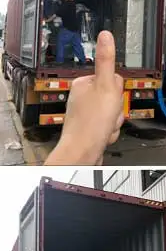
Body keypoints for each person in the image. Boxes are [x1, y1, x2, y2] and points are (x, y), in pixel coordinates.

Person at [44, 31, 124, 165]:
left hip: (67, 30)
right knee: (75, 43)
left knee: (65, 42)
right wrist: (84, 148)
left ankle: (63, 61)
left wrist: (81, 147)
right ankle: (80, 60)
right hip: (71, 30)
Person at [45, 0, 86, 65]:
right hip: (75, 28)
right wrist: (59, 2)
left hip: (68, 28)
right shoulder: (72, 3)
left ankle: (59, 61)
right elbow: (64, 9)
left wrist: (47, 21)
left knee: (60, 42)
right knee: (77, 44)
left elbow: (56, 14)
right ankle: (83, 60)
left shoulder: (67, 4)